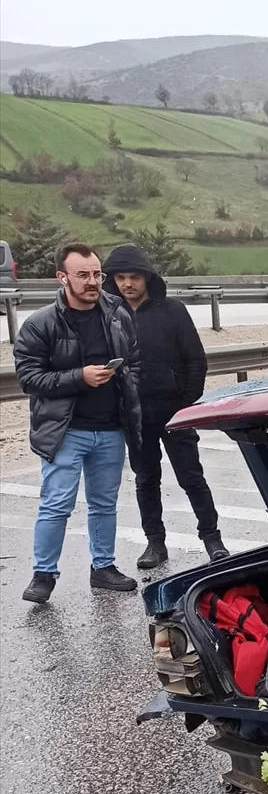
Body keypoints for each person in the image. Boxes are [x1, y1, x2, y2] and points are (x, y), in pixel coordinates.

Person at [14, 243, 142, 603]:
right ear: (62, 277)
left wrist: (131, 397)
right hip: (65, 431)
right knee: (56, 505)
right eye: (83, 275)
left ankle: (104, 567)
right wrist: (78, 378)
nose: (93, 282)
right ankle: (43, 575)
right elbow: (29, 379)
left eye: (97, 274)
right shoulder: (41, 323)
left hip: (111, 428)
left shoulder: (117, 313)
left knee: (105, 503)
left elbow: (133, 360)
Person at [101, 245, 227, 567]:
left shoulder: (173, 310)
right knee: (145, 479)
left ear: (147, 278)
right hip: (134, 415)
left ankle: (213, 540)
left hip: (174, 412)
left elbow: (195, 360)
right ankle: (155, 544)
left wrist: (185, 403)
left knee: (192, 477)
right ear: (113, 280)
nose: (128, 284)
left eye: (134, 277)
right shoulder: (107, 316)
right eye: (121, 278)